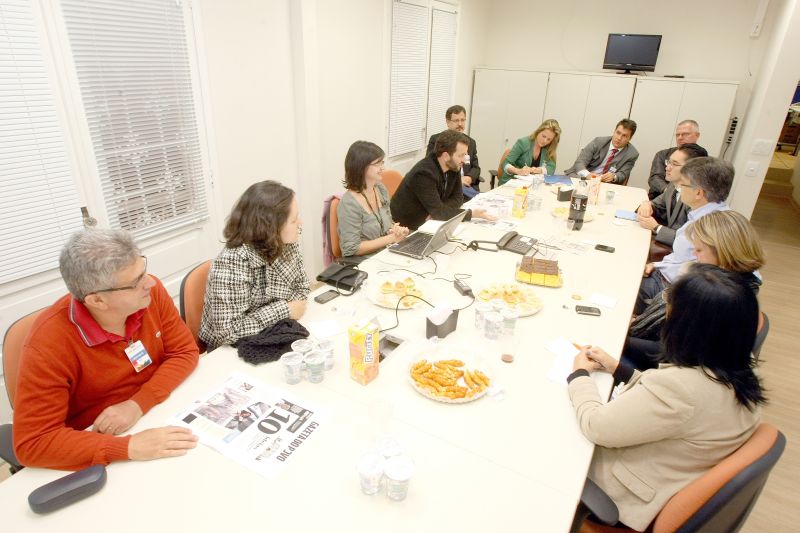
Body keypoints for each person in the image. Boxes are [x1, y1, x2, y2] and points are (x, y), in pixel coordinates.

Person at [569, 264, 765, 531]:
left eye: (669, 305)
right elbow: (674, 404)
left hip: (620, 493)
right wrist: (619, 369)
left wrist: (579, 374)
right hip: (671, 467)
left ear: (688, 325)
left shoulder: (682, 388)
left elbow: (595, 425)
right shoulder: (738, 365)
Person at [13, 229, 200, 470]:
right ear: (97, 301)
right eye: (135, 282)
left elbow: (184, 352)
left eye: (143, 269)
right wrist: (127, 447)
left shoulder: (150, 294)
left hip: (155, 413)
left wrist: (137, 404)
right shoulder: (48, 343)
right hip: (98, 440)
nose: (150, 282)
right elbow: (34, 443)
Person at [625, 210, 766, 370]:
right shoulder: (741, 285)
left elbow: (671, 352)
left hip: (663, 366)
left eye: (698, 250)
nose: (693, 254)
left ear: (722, 252)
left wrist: (622, 337)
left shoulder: (717, 296)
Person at [200, 180, 309, 351]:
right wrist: (284, 309)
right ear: (272, 227)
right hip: (230, 350)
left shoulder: (285, 243)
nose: (300, 223)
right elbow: (228, 332)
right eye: (294, 220)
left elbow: (301, 289)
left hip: (275, 332)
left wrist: (273, 315)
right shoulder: (231, 262)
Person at [636, 157, 734, 314]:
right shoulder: (705, 213)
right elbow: (682, 259)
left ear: (698, 193)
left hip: (671, 293)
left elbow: (698, 281)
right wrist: (656, 265)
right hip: (663, 275)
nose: (678, 187)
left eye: (683, 184)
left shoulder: (710, 227)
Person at [390, 129, 495, 231]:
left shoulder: (453, 166)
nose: (464, 160)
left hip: (431, 223)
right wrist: (471, 214)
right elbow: (440, 213)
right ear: (445, 156)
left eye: (465, 154)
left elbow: (458, 198)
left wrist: (441, 210)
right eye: (461, 155)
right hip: (408, 229)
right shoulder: (423, 173)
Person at [337, 141, 409, 258]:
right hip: (363, 262)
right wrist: (390, 238)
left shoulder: (380, 189)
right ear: (361, 167)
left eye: (382, 162)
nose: (382, 168)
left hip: (385, 254)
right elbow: (351, 248)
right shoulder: (348, 204)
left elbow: (387, 223)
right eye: (377, 164)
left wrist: (395, 230)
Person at [635, 143, 708, 247]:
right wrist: (647, 204)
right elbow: (657, 204)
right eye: (668, 162)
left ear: (691, 169)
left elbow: (690, 242)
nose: (667, 168)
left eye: (674, 164)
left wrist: (656, 227)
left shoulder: (698, 198)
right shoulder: (673, 185)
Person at [426, 105, 481, 198]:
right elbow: (431, 167)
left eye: (462, 120)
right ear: (448, 122)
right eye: (456, 120)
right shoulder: (436, 140)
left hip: (467, 186)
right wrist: (458, 180)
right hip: (447, 188)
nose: (460, 124)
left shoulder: (471, 142)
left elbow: (476, 168)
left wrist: (469, 178)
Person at [564, 119, 639, 184]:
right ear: (614, 131)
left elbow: (623, 174)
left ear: (630, 138)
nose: (619, 138)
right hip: (583, 177)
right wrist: (588, 175)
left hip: (605, 184)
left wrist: (614, 176)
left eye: (624, 136)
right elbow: (580, 162)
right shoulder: (598, 142)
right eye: (618, 133)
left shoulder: (632, 154)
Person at [647, 120, 701, 199]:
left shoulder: (703, 160)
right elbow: (655, 179)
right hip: (659, 197)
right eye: (677, 135)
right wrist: (671, 193)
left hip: (689, 200)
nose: (680, 138)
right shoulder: (662, 154)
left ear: (697, 135)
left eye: (685, 134)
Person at [499, 119, 562, 186]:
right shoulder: (523, 143)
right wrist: (518, 171)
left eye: (549, 139)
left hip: (530, 186)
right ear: (538, 131)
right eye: (543, 136)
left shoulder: (549, 148)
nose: (545, 141)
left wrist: (538, 170)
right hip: (512, 183)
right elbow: (505, 164)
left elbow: (551, 168)